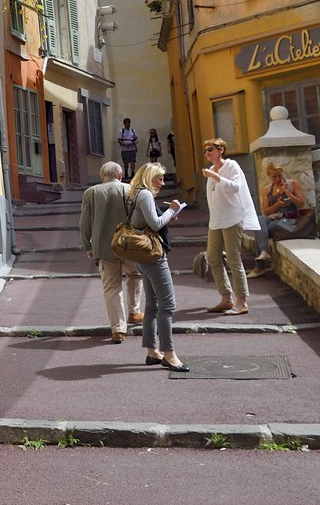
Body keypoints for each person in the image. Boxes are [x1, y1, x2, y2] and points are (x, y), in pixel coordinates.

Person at [126, 163, 189, 371]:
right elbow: (154, 224)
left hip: (142, 255)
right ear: (150, 177)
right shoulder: (144, 195)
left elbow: (149, 221)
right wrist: (171, 210)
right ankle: (169, 354)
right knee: (167, 305)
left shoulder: (136, 193)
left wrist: (170, 214)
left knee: (152, 305)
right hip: (153, 256)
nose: (162, 183)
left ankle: (152, 351)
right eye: (159, 178)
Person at [79, 161, 144, 343]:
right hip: (129, 243)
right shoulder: (130, 189)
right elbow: (137, 217)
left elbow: (84, 222)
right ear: (121, 175)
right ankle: (134, 311)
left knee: (111, 287)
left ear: (102, 176)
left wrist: (87, 245)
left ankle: (118, 329)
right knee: (135, 275)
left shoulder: (90, 193)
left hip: (103, 245)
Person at [201, 138, 261, 314]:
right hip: (216, 220)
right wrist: (213, 174)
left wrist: (215, 177)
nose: (207, 153)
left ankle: (241, 302)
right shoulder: (211, 170)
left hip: (233, 218)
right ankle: (226, 298)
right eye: (205, 151)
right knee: (212, 257)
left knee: (234, 259)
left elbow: (235, 187)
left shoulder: (231, 166)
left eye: (210, 149)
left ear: (221, 150)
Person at [249, 163, 312, 278]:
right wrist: (277, 204)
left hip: (289, 219)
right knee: (259, 220)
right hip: (274, 217)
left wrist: (287, 192)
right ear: (269, 176)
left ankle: (260, 266)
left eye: (279, 175)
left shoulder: (293, 184)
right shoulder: (267, 189)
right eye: (274, 177)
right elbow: (266, 211)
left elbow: (301, 204)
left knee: (261, 230)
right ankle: (264, 253)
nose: (278, 179)